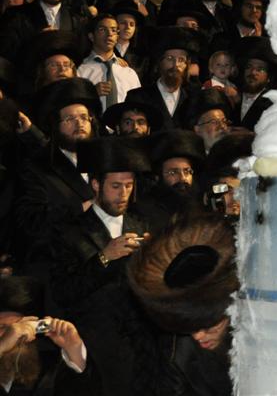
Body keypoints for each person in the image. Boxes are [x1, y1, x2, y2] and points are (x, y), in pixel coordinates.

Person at [126, 215, 239, 396]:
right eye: (192, 328)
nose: (198, 336)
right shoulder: (178, 356)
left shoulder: (259, 329)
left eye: (208, 326)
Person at [50, 138, 150, 315]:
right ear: (96, 185)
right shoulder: (69, 230)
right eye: (116, 186)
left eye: (129, 185)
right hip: (94, 330)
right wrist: (104, 257)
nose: (124, 194)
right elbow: (63, 293)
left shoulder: (142, 224)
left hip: (139, 331)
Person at [15, 78, 101, 266]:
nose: (79, 124)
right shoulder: (37, 167)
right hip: (63, 263)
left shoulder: (106, 162)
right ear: (56, 126)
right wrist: (80, 208)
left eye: (84, 117)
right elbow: (31, 222)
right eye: (70, 119)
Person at [0, 276, 94, 395]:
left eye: (21, 325)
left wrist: (74, 348)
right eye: (3, 327)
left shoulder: (48, 369)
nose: (17, 332)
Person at [124, 27, 202, 130]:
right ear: (159, 62)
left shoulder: (193, 98)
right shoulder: (138, 97)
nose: (176, 65)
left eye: (181, 60)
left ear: (187, 65)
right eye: (170, 59)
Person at [137, 130, 205, 235]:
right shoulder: (143, 212)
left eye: (187, 171)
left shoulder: (202, 206)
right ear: (157, 177)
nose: (182, 178)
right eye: (173, 172)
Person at [75, 14, 142, 112]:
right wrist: (91, 94)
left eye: (114, 30)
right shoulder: (80, 70)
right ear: (91, 36)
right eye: (103, 30)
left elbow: (138, 107)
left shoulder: (128, 72)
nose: (110, 34)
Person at [233, 37, 277, 130]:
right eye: (249, 67)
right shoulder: (232, 95)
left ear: (268, 77)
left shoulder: (274, 102)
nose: (253, 72)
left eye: (260, 69)